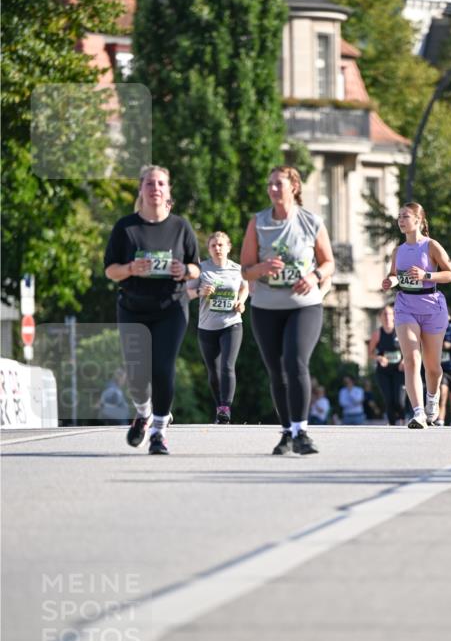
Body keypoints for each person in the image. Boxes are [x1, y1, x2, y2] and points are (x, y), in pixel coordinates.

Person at [104, 165, 200, 455]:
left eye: (161, 184)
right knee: (136, 375)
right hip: (133, 308)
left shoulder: (180, 227)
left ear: (168, 190)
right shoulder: (126, 227)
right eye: (149, 183)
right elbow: (111, 271)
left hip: (171, 307)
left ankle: (159, 431)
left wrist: (183, 270)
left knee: (162, 367)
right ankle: (143, 414)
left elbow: (196, 267)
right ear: (141, 189)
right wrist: (132, 268)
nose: (155, 188)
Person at [240, 166, 335, 455]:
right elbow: (245, 271)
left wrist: (314, 277)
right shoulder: (258, 222)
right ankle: (286, 433)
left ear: (293, 186)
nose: (273, 189)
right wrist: (262, 268)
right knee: (277, 372)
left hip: (304, 306)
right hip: (266, 307)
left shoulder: (311, 221)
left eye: (278, 184)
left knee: (295, 362)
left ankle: (301, 431)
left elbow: (328, 262)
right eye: (269, 184)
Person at [381, 202, 451, 428]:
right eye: (399, 217)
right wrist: (390, 281)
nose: (401, 220)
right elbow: (395, 274)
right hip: (405, 306)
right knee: (412, 358)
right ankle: (418, 412)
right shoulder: (398, 250)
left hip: (432, 306)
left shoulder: (431, 246)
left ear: (419, 220)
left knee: (432, 367)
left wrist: (426, 275)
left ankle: (432, 400)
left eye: (406, 216)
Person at [187, 231, 248, 424]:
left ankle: (225, 408)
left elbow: (245, 287)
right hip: (207, 327)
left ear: (229, 247)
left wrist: (241, 301)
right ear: (209, 249)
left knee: (227, 366)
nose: (218, 248)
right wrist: (200, 291)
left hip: (232, 324)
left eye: (221, 245)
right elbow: (186, 293)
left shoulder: (237, 269)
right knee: (213, 372)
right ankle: (219, 407)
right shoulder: (201, 269)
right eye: (214, 245)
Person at [368, 305, 405, 425]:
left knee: (399, 400)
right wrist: (378, 357)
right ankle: (392, 425)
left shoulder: (400, 330)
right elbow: (370, 352)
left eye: (390, 314)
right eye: (384, 314)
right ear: (380, 318)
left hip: (399, 370)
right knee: (389, 399)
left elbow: (411, 349)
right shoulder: (377, 334)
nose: (387, 317)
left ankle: (403, 420)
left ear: (394, 316)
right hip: (384, 371)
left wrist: (404, 361)